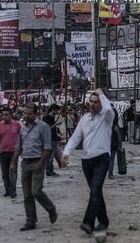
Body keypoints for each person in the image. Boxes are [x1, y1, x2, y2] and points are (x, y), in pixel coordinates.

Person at [62, 89, 113, 240]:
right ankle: (103, 222)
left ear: (101, 103)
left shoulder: (106, 117)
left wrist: (102, 94)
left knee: (95, 190)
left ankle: (88, 222)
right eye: (91, 101)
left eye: (96, 102)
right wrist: (66, 152)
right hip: (86, 160)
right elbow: (75, 137)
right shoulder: (84, 119)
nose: (92, 104)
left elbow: (109, 108)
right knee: (96, 192)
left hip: (102, 158)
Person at [9, 103, 57, 231]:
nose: (26, 115)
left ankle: (50, 208)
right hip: (25, 162)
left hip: (37, 162)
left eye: (29, 113)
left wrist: (40, 164)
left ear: (35, 113)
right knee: (27, 195)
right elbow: (19, 147)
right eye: (25, 113)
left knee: (36, 191)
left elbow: (47, 148)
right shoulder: (23, 129)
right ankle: (31, 220)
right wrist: (13, 163)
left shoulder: (43, 127)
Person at [0, 109, 22, 198]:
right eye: (3, 114)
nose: (4, 116)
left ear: (11, 115)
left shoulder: (17, 124)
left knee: (13, 171)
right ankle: (8, 190)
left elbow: (22, 135)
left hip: (14, 152)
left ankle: (13, 191)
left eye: (6, 114)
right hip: (3, 152)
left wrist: (22, 148)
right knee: (4, 173)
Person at [43, 104, 61, 177]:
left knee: (51, 155)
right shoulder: (48, 117)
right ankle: (49, 170)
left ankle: (50, 170)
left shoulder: (50, 117)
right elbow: (47, 128)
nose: (57, 112)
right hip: (50, 138)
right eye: (56, 110)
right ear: (53, 109)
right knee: (50, 155)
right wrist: (56, 123)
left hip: (52, 138)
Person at [107, 109, 122, 180]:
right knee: (112, 159)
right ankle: (110, 173)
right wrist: (120, 146)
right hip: (113, 145)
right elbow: (119, 137)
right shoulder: (115, 127)